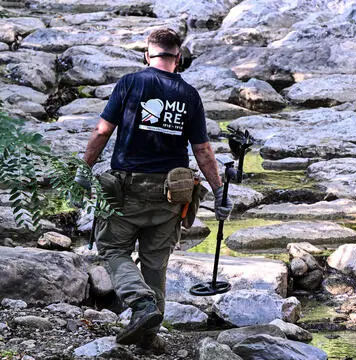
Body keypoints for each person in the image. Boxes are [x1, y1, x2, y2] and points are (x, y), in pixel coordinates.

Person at [74, 28, 233, 351]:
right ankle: (148, 337)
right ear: (180, 58)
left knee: (114, 250)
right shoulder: (189, 94)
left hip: (126, 191)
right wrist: (218, 191)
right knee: (155, 263)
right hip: (171, 195)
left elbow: (102, 131)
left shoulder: (130, 83)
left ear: (147, 55)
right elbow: (202, 150)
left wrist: (83, 169)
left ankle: (141, 304)